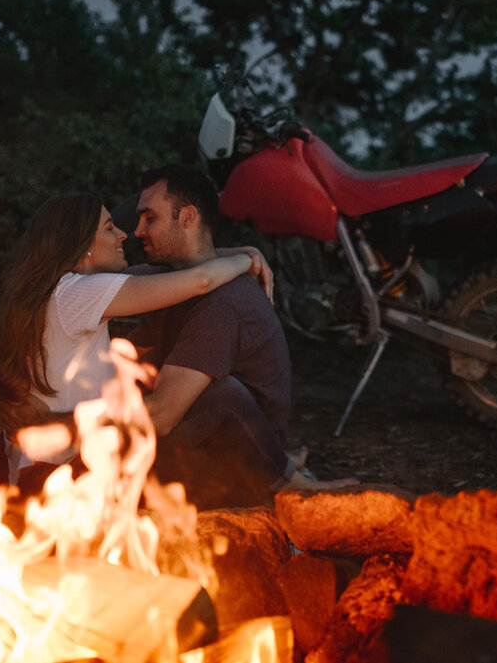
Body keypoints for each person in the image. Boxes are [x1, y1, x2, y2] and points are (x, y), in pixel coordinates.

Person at [0, 192, 264, 490]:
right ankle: (283, 481)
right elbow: (200, 280)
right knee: (219, 396)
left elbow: (172, 269)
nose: (123, 234)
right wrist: (248, 260)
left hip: (43, 473)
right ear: (82, 245)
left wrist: (234, 252)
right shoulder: (80, 293)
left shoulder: (52, 294)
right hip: (67, 478)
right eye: (110, 228)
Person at [128, 163, 355, 507]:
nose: (137, 231)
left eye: (150, 218)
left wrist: (64, 426)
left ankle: (292, 487)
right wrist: (241, 254)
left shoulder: (222, 304)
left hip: (240, 468)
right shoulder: (173, 279)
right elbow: (107, 282)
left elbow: (161, 417)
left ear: (188, 217)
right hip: (208, 442)